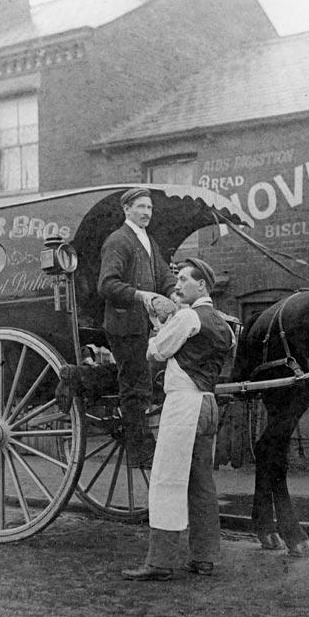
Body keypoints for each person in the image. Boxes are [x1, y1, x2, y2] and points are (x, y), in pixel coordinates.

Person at [121, 258, 233, 581]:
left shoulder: (187, 316)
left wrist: (158, 326)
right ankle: (204, 557)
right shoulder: (222, 323)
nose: (178, 285)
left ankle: (160, 561)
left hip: (183, 405)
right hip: (208, 404)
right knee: (201, 484)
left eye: (184, 279)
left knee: (165, 481)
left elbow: (155, 351)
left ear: (202, 285)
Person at [97, 187, 177, 467]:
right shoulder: (118, 241)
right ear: (127, 209)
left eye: (150, 208)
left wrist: (175, 294)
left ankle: (145, 439)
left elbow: (164, 274)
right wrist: (142, 296)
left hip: (145, 325)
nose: (146, 212)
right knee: (135, 385)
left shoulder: (147, 240)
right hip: (124, 324)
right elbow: (107, 284)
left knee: (149, 381)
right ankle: (138, 450)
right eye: (141, 207)